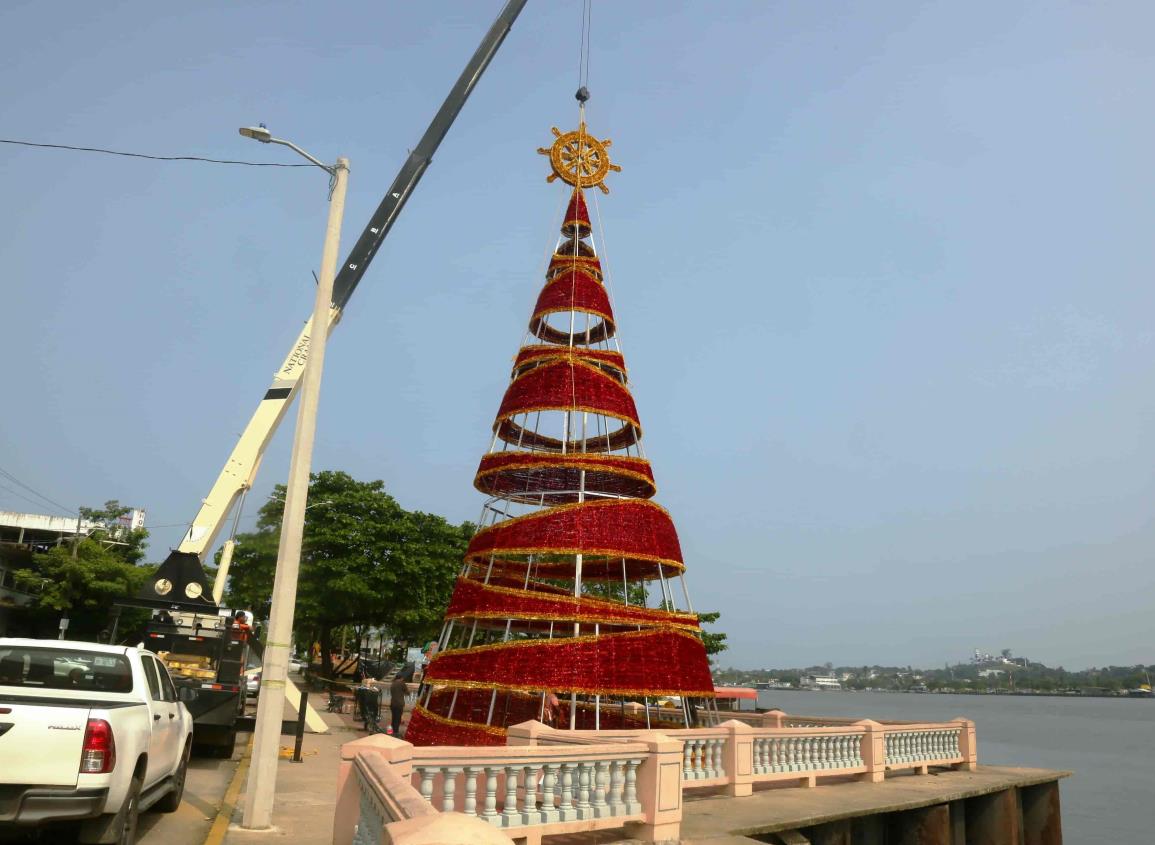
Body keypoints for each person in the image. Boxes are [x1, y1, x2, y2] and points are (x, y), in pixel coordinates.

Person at [390, 672, 408, 736]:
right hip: (399, 704)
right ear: (401, 678)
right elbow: (407, 693)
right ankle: (396, 732)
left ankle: (391, 731)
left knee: (394, 717)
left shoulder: (393, 683)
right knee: (398, 718)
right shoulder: (402, 683)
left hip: (392, 703)